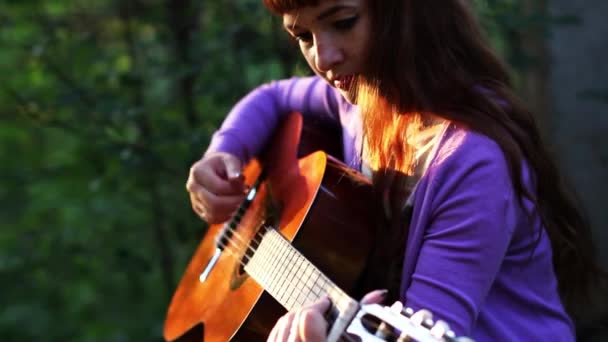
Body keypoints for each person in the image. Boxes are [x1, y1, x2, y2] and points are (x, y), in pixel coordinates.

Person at [186, 0, 607, 341]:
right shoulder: (359, 99)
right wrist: (223, 154)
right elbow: (273, 97)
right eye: (303, 36)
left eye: (344, 22)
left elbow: (421, 325)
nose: (324, 58)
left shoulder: (471, 161)